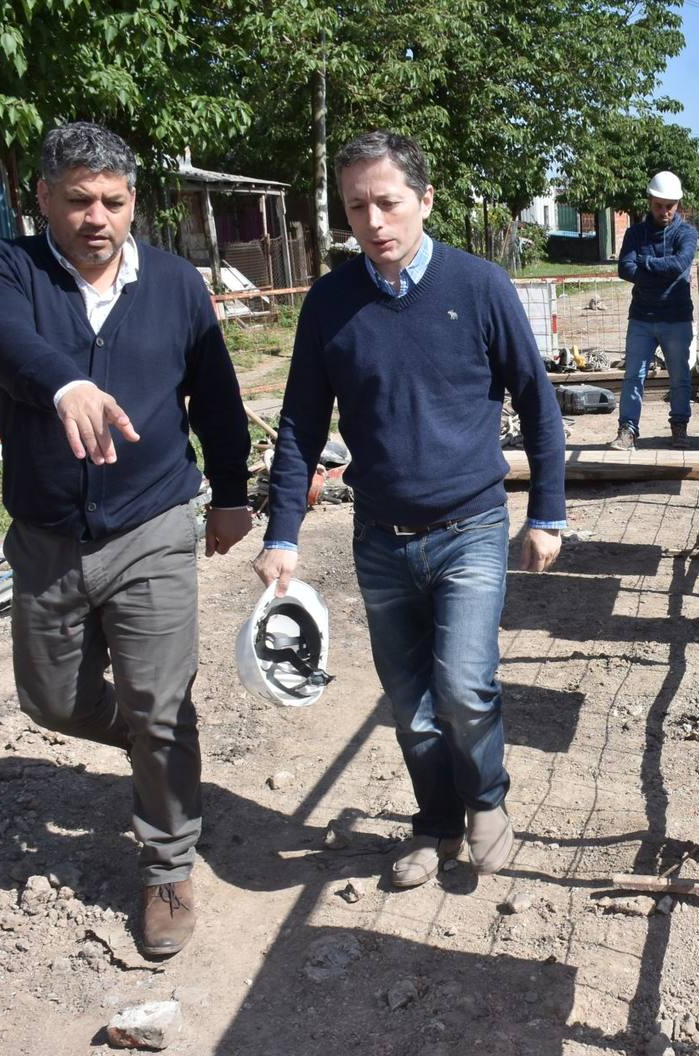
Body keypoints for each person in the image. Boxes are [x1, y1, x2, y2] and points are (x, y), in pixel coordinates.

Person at [0, 122, 252, 957]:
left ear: (134, 203)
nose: (98, 217)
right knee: (50, 702)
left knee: (160, 706)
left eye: (114, 201)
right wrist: (66, 383)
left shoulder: (172, 282)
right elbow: (1, 341)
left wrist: (231, 495)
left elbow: (217, 394)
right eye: (79, 200)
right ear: (44, 200)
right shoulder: (6, 267)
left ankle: (167, 863)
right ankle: (164, 742)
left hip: (152, 522)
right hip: (48, 531)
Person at [253, 131, 566, 891]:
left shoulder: (478, 286)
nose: (373, 220)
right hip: (380, 537)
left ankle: (486, 798)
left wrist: (547, 513)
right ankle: (434, 825)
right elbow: (300, 423)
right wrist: (283, 530)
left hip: (470, 526)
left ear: (424, 200)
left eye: (387, 202)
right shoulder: (331, 302)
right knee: (410, 704)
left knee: (462, 685)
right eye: (356, 205)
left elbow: (537, 401)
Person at [614, 171, 698, 451]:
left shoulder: (687, 233)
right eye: (659, 205)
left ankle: (679, 428)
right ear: (650, 201)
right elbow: (625, 269)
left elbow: (679, 265)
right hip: (641, 317)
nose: (664, 211)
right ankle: (627, 430)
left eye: (670, 206)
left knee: (679, 376)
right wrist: (663, 268)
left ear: (678, 204)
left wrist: (645, 262)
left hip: (677, 317)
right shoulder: (635, 233)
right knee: (633, 376)